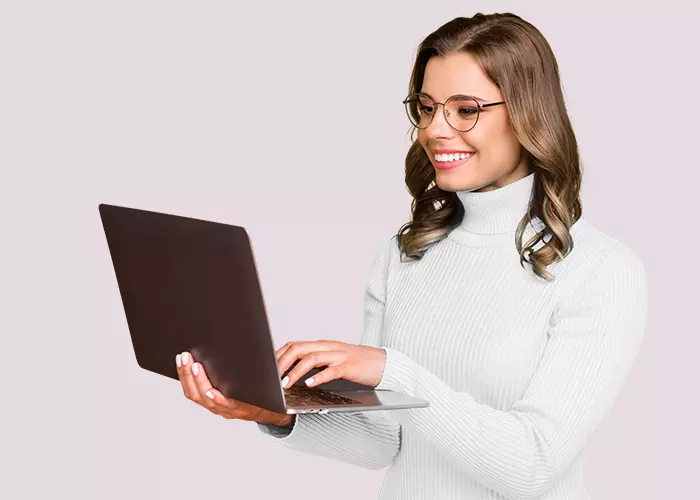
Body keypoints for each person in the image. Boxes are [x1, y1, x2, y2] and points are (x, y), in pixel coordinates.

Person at [174, 12, 648, 500]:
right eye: (426, 107)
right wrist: (273, 411)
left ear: (528, 114)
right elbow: (384, 440)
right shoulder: (406, 253)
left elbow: (532, 464)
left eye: (465, 110)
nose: (434, 130)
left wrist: (392, 369)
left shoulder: (600, 271)